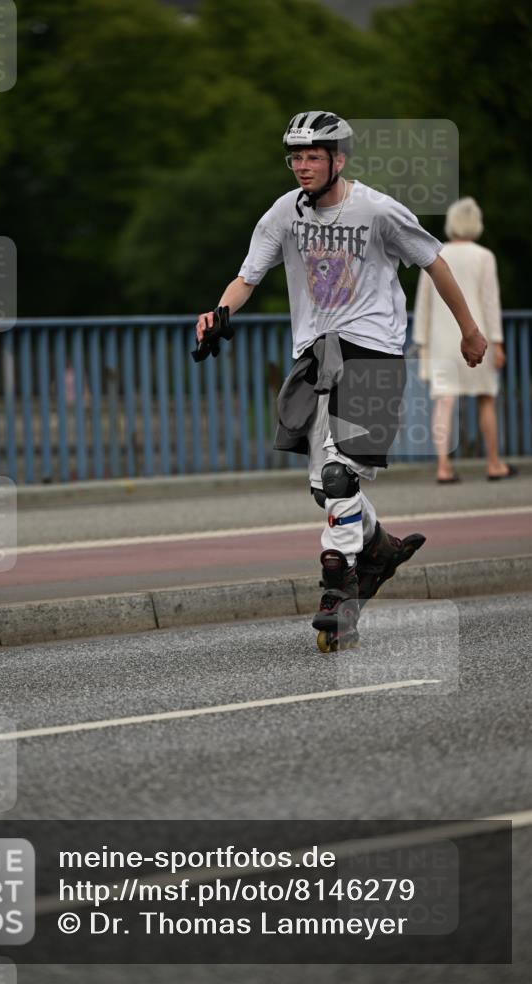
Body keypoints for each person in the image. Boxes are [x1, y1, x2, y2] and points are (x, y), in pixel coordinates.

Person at [195, 110, 487, 651]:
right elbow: (248, 276)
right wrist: (217, 312)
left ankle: (339, 590)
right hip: (316, 356)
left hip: (373, 353)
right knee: (325, 488)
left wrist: (470, 331)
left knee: (337, 478)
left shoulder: (376, 209)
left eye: (312, 157)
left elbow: (435, 262)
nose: (302, 167)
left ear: (339, 159)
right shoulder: (284, 212)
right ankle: (377, 548)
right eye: (295, 158)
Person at [413, 196, 514, 483]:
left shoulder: (433, 253)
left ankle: (443, 467)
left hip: (442, 341)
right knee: (486, 399)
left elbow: (424, 304)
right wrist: (497, 343)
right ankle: (494, 463)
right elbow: (491, 303)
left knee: (444, 402)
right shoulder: (484, 256)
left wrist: (422, 342)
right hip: (476, 337)